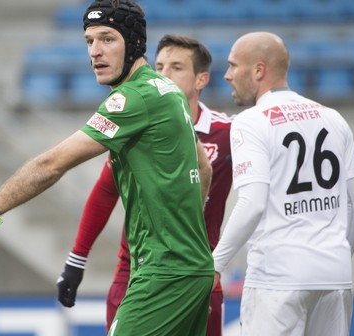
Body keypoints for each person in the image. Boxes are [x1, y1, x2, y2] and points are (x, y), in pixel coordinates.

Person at [0, 1, 214, 335]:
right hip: (192, 269)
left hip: (164, 274)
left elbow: (50, 165)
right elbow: (203, 167)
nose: (95, 51)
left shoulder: (133, 99)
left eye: (107, 39)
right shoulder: (169, 91)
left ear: (135, 42)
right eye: (89, 41)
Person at [56, 34, 234, 336]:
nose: (163, 74)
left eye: (176, 67)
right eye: (160, 65)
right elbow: (104, 192)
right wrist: (77, 258)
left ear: (201, 79)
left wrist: (217, 263)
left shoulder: (227, 132)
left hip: (196, 268)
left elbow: (257, 195)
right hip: (137, 267)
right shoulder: (135, 120)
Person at [212, 31, 354, 336]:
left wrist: (215, 265)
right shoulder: (334, 118)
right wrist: (332, 257)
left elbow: (252, 203)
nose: (227, 75)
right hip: (335, 275)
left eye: (233, 65)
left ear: (258, 70)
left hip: (277, 277)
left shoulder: (251, 121)